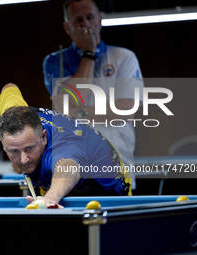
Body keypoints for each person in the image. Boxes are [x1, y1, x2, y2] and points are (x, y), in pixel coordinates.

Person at [43, 0, 144, 189]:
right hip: (72, 171)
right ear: (68, 27)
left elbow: (126, 111)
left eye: (90, 18)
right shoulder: (55, 61)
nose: (86, 24)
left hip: (117, 168)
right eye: (78, 20)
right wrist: (89, 53)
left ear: (100, 19)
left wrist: (77, 113)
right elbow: (72, 99)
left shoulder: (124, 57)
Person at [0, 83, 131, 208]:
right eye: (14, 150)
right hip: (56, 184)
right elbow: (9, 87)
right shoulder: (11, 118)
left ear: (43, 137)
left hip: (108, 187)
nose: (24, 159)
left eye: (29, 148)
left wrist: (51, 198)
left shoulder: (62, 146)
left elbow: (68, 168)